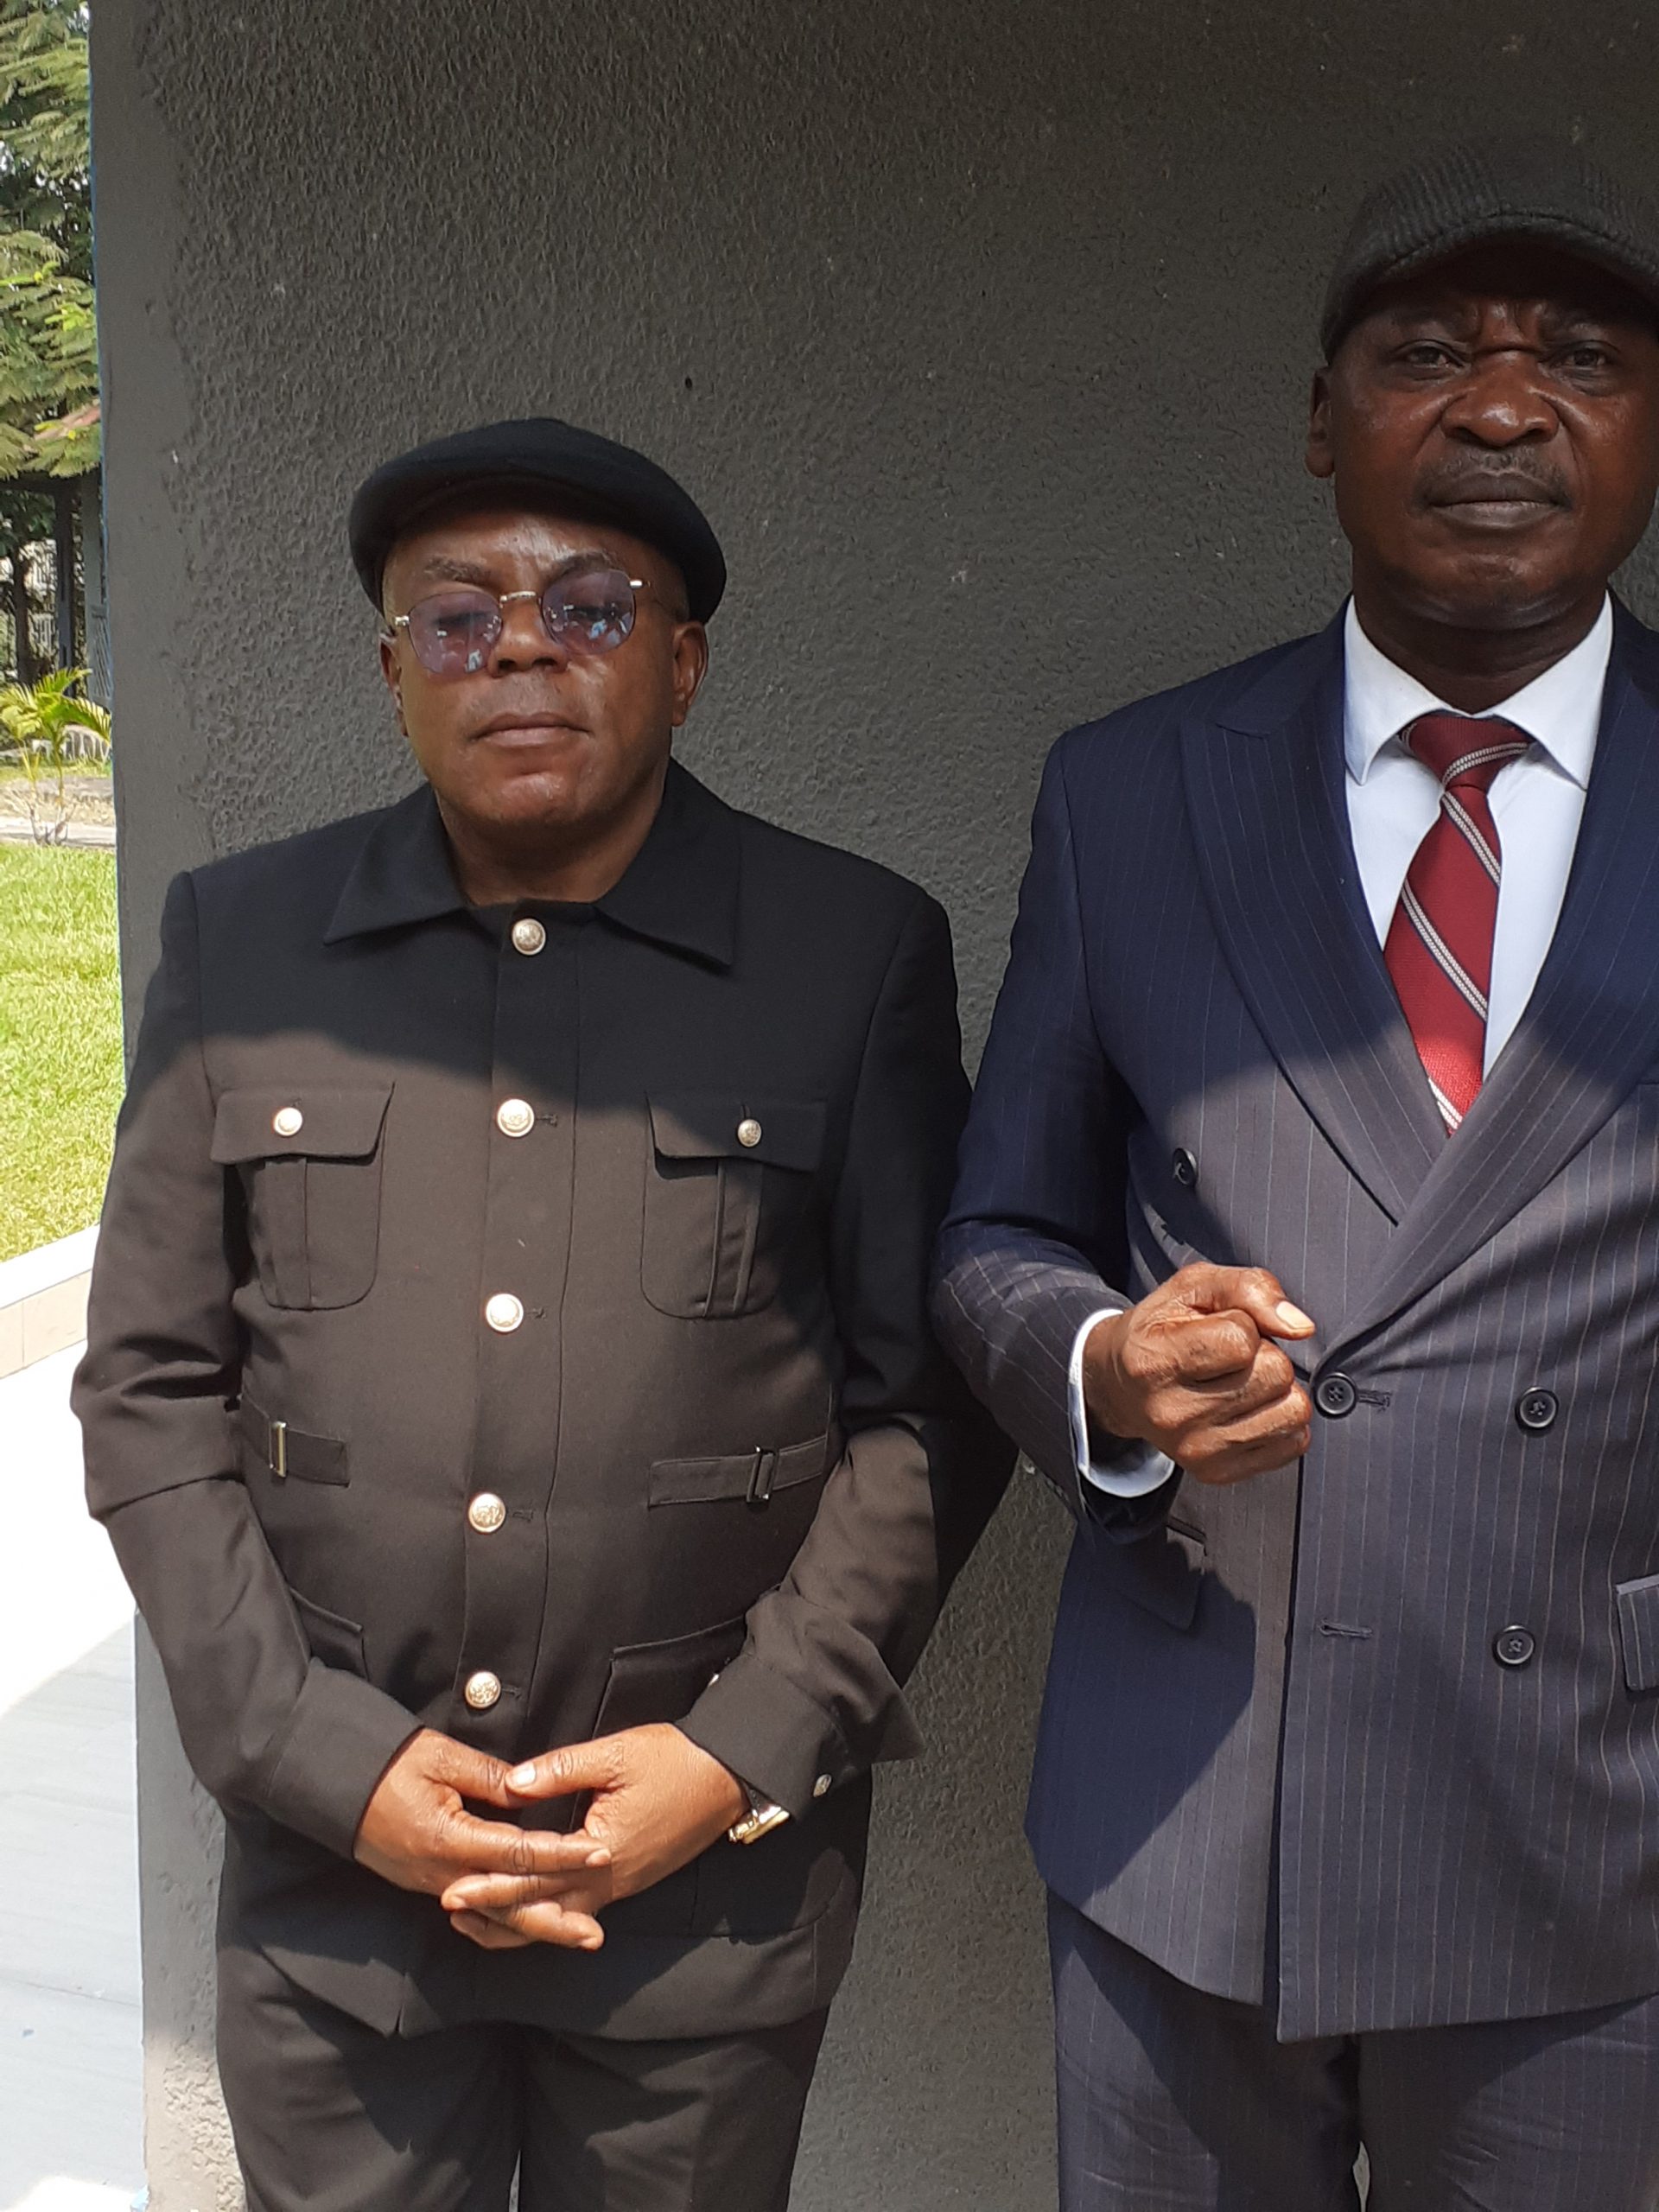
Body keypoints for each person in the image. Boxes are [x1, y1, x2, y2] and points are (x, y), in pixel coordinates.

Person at [75, 416, 1009, 2212]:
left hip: (701, 1902)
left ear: (685, 661)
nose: (516, 646)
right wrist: (314, 1758)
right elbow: (148, 1388)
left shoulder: (851, 949)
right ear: (391, 669)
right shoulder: (243, 941)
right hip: (335, 1890)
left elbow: (929, 1407)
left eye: (588, 606)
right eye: (455, 615)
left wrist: (736, 1754)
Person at [933, 138, 1659, 2207]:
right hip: (1193, 1806)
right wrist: (1102, 1372)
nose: (1504, 403)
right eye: (1429, 351)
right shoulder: (1134, 787)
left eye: (1581, 356)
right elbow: (1001, 1226)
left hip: (1600, 1830)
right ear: (1321, 423)